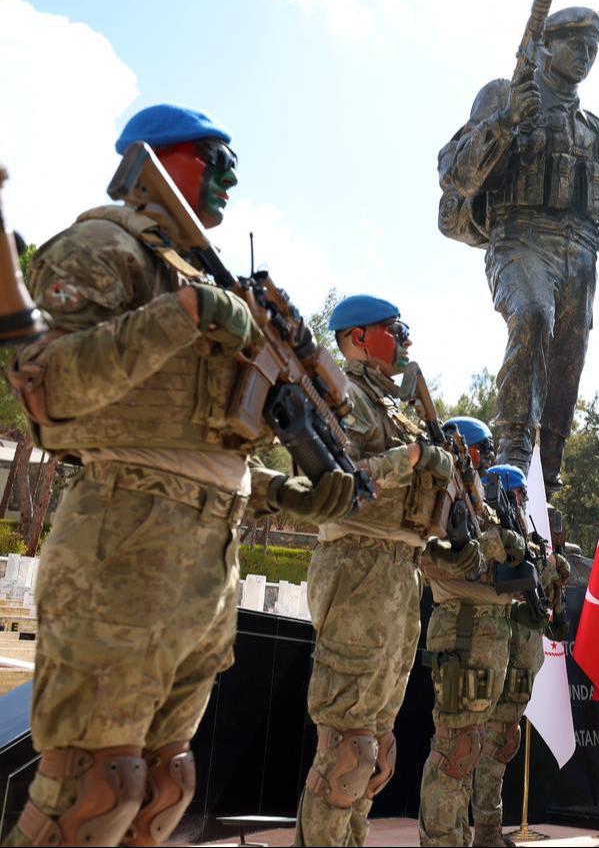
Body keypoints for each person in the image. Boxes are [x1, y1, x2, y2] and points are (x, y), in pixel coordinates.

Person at [2, 104, 355, 847]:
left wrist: (296, 488)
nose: (229, 177)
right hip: (122, 548)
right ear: (154, 158)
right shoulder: (104, 245)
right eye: (212, 157)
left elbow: (206, 446)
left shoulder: (204, 279)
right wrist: (186, 313)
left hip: (204, 560)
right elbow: (49, 392)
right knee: (94, 785)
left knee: (165, 784)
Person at [438, 6, 599, 491]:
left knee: (569, 356)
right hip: (519, 238)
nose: (585, 56)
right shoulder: (503, 95)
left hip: (581, 257)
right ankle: (513, 452)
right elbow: (454, 172)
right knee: (533, 315)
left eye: (592, 49)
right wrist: (505, 121)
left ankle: (546, 473)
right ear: (543, 46)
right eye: (575, 45)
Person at [294, 295, 455, 846]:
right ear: (358, 337)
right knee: (347, 750)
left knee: (375, 751)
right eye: (395, 329)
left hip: (400, 571)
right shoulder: (345, 396)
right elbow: (332, 479)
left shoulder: (397, 405)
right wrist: (407, 460)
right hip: (359, 565)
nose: (405, 339)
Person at [417, 433, 526, 847]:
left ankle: (461, 838)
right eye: (478, 450)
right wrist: (493, 549)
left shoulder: (479, 508)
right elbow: (431, 557)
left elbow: (498, 570)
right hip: (462, 635)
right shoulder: (444, 500)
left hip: (484, 644)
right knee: (454, 752)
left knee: (470, 748)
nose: (481, 458)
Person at [465, 464, 570, 848]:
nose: (524, 502)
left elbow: (547, 595)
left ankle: (489, 830)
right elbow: (505, 581)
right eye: (520, 494)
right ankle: (484, 832)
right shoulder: (496, 533)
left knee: (504, 742)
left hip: (524, 659)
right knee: (487, 747)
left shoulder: (531, 539)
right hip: (501, 655)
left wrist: (556, 569)